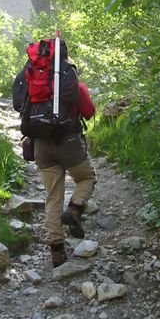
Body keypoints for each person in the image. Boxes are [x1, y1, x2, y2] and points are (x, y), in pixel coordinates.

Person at [34, 79, 97, 267]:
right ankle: (75, 208)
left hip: (41, 144)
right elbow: (89, 112)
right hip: (69, 142)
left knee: (53, 197)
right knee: (87, 177)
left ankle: (57, 251)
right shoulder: (74, 84)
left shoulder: (34, 83)